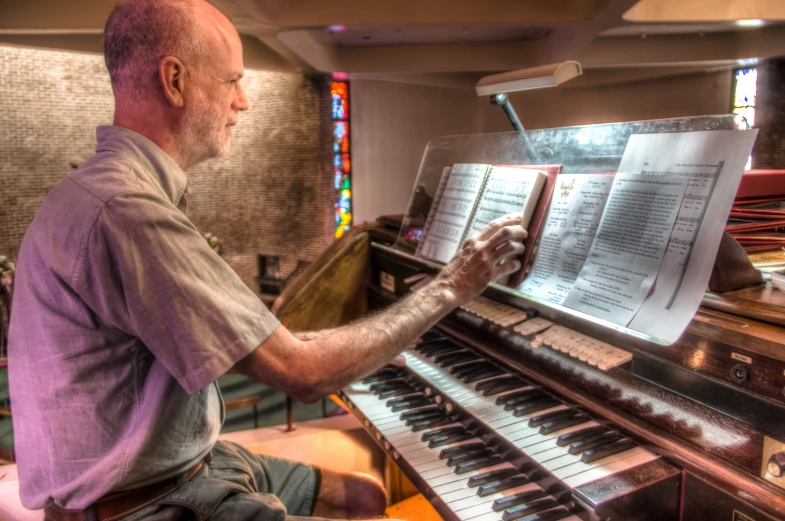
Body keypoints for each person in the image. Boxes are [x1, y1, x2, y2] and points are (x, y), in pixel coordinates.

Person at [7, 0, 528, 519]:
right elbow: (303, 375)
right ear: (175, 81)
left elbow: (268, 343)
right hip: (143, 502)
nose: (244, 101)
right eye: (232, 79)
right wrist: (452, 284)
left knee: (365, 495)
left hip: (187, 464)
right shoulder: (128, 212)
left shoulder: (110, 193)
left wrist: (372, 341)